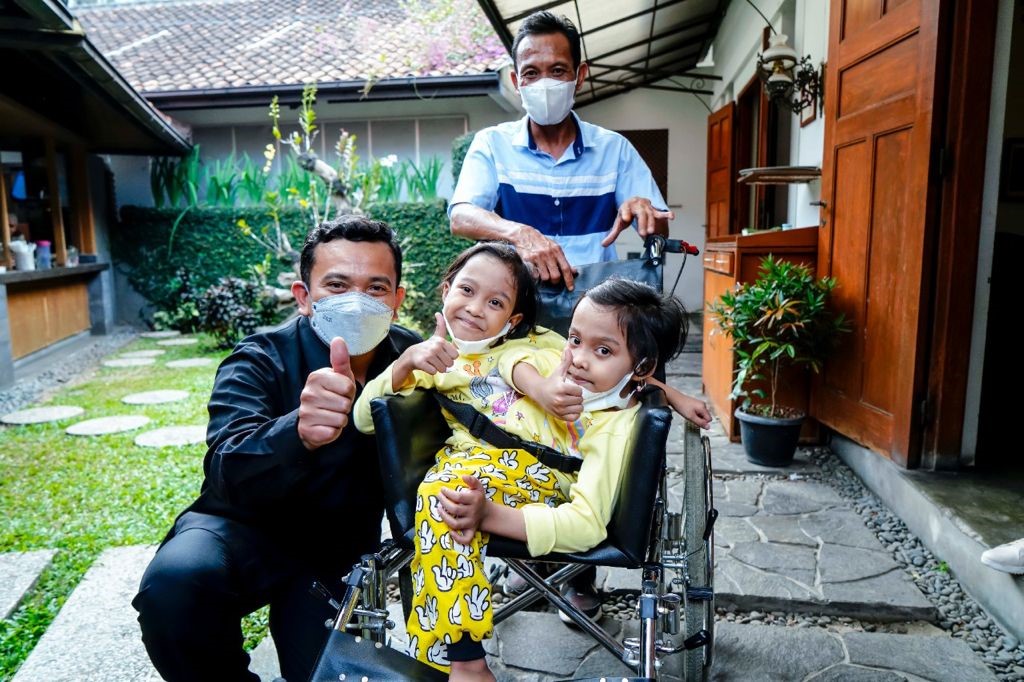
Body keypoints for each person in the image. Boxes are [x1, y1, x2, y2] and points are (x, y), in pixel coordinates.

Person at [355, 260, 710, 680]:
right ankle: (456, 658)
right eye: (575, 340)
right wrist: (407, 362)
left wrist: (490, 515)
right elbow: (364, 418)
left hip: (538, 479)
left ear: (515, 316)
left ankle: (463, 661)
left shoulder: (580, 394)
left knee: (443, 498)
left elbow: (586, 524)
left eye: (601, 350)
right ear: (446, 289)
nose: (576, 358)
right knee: (443, 495)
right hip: (485, 467)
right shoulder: (464, 358)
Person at [132, 216, 421, 682]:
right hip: (245, 528)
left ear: (397, 300)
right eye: (337, 284)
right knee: (175, 587)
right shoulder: (259, 358)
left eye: (376, 288)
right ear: (303, 296)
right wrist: (297, 432)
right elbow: (225, 464)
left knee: (329, 673)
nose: (356, 301)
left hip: (338, 552)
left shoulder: (413, 361)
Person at [449, 11, 674, 291]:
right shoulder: (493, 144)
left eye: (557, 70)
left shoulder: (614, 149)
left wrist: (646, 211)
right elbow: (461, 216)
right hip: (517, 302)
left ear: (579, 76)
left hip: (596, 306)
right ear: (516, 82)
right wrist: (519, 233)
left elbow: (660, 232)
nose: (545, 84)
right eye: (531, 73)